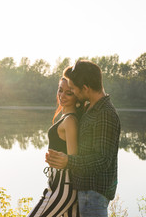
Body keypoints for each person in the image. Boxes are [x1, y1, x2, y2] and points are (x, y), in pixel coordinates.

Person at [45, 60, 121, 217]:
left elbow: (102, 160)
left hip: (94, 195)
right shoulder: (90, 109)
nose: (71, 91)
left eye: (72, 89)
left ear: (85, 88)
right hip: (85, 193)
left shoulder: (105, 114)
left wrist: (68, 161)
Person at [28, 77, 82, 217]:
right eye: (60, 90)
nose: (62, 95)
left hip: (63, 187)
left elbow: (73, 158)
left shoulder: (70, 120)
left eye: (69, 93)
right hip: (60, 185)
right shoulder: (66, 117)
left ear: (77, 96)